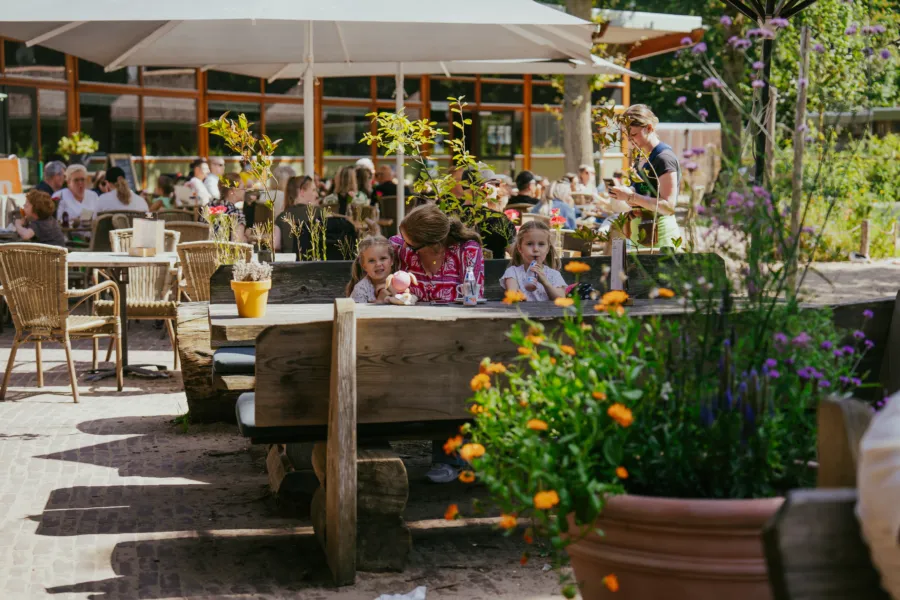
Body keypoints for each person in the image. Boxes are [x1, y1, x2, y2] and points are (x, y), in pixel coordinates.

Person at [389, 203, 485, 483]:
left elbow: (474, 292)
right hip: (413, 337)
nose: (404, 247)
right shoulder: (402, 246)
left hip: (459, 334)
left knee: (455, 377)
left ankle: (456, 457)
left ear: (434, 244)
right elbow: (377, 256)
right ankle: (451, 458)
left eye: (411, 245)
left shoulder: (466, 251)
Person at [609, 104, 681, 248]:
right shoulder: (640, 157)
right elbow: (644, 192)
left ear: (649, 128)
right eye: (627, 136)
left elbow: (668, 206)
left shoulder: (664, 158)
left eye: (634, 135)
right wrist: (627, 192)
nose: (630, 141)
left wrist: (631, 197)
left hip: (660, 235)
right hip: (641, 233)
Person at [457, 167, 516, 260]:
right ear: (485, 188)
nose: (497, 189)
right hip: (493, 273)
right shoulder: (499, 220)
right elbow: (516, 253)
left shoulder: (450, 216)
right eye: (496, 184)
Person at [501, 221, 567, 301]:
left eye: (541, 244)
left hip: (549, 313)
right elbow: (513, 295)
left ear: (547, 249)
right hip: (523, 312)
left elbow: (561, 299)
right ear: (520, 248)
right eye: (529, 244)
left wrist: (545, 283)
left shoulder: (554, 274)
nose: (535, 249)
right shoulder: (513, 272)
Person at [274, 175, 319, 253]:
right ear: (302, 192)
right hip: (314, 262)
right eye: (314, 190)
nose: (317, 195)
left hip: (288, 262)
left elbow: (276, 245)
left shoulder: (281, 217)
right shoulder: (319, 213)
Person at [346, 235, 395, 304]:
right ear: (364, 266)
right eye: (371, 261)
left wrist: (393, 292)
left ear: (391, 260)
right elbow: (360, 314)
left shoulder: (400, 281)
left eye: (383, 258)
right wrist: (380, 300)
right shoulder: (361, 289)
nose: (378, 264)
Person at [210, 173, 247, 242]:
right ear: (233, 191)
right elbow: (237, 244)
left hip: (203, 251)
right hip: (224, 252)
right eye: (243, 188)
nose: (245, 190)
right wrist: (247, 238)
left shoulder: (208, 207)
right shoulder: (236, 213)